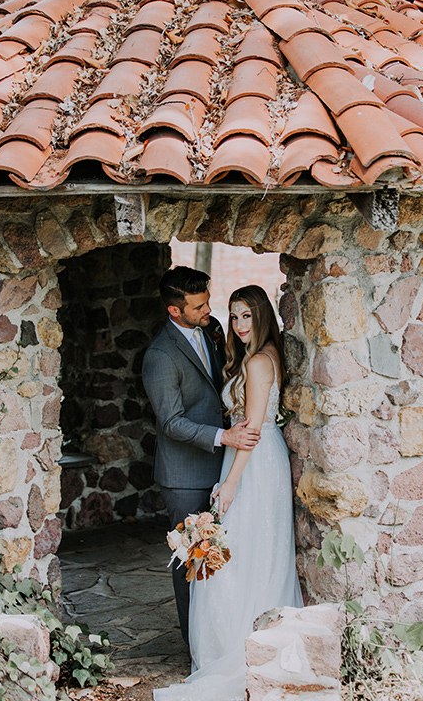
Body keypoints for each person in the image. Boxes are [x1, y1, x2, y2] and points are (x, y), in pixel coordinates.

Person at [153, 285, 302, 701]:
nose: (237, 325)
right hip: (258, 457)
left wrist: (230, 482)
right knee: (256, 549)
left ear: (261, 316)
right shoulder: (266, 353)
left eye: (246, 316)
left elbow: (251, 432)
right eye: (233, 316)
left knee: (236, 554)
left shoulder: (257, 362)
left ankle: (234, 647)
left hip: (251, 462)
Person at [142, 267, 260, 647]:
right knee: (192, 563)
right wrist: (223, 435)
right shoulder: (160, 355)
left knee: (223, 556)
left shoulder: (210, 333)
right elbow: (171, 422)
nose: (209, 309)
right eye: (198, 305)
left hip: (221, 465)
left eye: (208, 300)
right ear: (175, 311)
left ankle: (222, 637)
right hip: (184, 475)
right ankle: (197, 649)